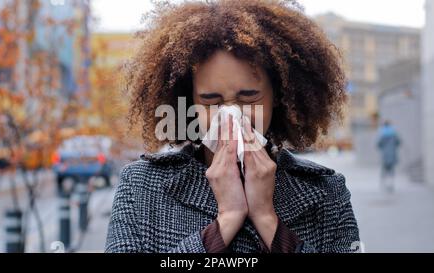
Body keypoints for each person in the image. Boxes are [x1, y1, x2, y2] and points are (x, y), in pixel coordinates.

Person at [105, 0, 360, 253]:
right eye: (211, 101)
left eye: (248, 98)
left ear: (280, 98)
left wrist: (267, 219)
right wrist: (225, 221)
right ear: (189, 102)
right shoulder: (141, 185)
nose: (231, 115)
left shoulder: (326, 191)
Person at [377, 121, 401, 193]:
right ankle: (391, 184)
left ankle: (384, 184)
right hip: (392, 154)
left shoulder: (382, 133)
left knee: (384, 170)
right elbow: (398, 142)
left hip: (385, 155)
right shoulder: (394, 133)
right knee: (391, 170)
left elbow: (378, 144)